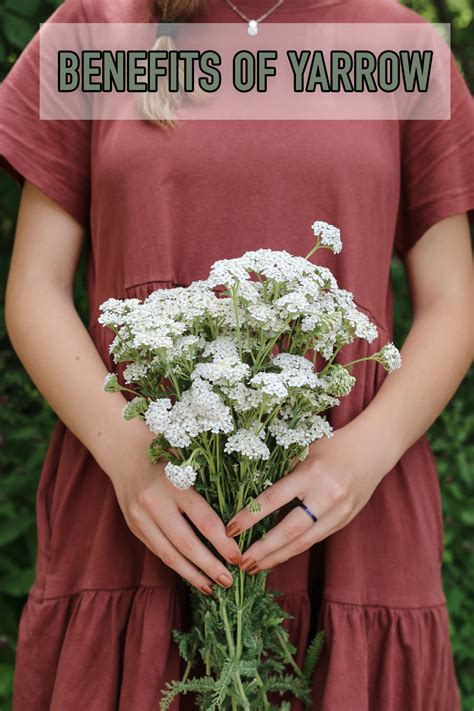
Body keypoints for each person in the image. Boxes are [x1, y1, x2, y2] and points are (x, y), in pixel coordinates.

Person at [1, 0, 473, 708]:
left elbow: (454, 306)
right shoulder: (95, 28)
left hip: (348, 516)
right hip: (137, 514)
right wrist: (134, 461)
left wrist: (360, 457)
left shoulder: (401, 46)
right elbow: (34, 289)